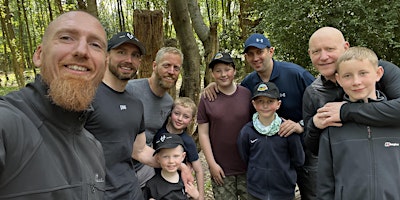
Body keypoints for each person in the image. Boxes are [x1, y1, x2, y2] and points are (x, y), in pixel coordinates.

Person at [0, 11, 107, 199]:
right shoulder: (7, 124)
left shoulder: (94, 148)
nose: (82, 51)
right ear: (39, 55)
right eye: (66, 38)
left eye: (95, 44)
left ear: (104, 66)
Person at [203, 34, 315, 199]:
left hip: (302, 148)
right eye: (250, 54)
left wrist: (301, 125)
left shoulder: (296, 74)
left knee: (313, 194)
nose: (255, 58)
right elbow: (234, 90)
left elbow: (321, 105)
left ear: (271, 51)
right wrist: (215, 84)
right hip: (271, 158)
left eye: (259, 52)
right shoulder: (249, 83)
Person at [302, 26, 400, 199]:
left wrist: (346, 111)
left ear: (346, 47)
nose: (323, 56)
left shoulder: (379, 69)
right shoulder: (313, 92)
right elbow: (314, 147)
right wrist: (315, 125)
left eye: (330, 49)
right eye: (316, 51)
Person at [84, 32, 157, 200]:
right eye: (121, 52)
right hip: (97, 193)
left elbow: (139, 150)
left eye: (135, 55)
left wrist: (175, 163)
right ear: (106, 56)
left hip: (131, 191)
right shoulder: (86, 96)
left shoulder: (136, 104)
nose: (128, 60)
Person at [125, 47, 183, 188]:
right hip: (118, 168)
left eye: (176, 68)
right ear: (154, 66)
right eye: (166, 65)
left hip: (146, 169)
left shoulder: (169, 103)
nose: (171, 71)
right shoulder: (130, 90)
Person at [198, 52, 252, 200]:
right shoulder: (207, 98)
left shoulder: (247, 94)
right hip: (221, 169)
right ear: (212, 73)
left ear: (234, 70)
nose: (223, 74)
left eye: (227, 69)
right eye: (218, 71)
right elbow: (203, 133)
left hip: (248, 167)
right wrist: (212, 164)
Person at [238, 82, 305, 200]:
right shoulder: (247, 131)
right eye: (260, 101)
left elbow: (298, 159)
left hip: (283, 192)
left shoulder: (288, 130)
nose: (265, 106)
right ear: (254, 104)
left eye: (270, 101)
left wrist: (286, 175)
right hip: (256, 191)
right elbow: (245, 156)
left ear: (278, 104)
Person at [153, 97, 205, 200]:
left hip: (177, 188)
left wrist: (201, 196)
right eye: (177, 113)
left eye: (186, 116)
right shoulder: (158, 132)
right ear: (170, 113)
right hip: (156, 185)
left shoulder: (188, 142)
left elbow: (199, 170)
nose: (180, 119)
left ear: (191, 120)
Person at [144, 132, 199, 200]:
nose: (171, 161)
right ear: (158, 158)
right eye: (165, 156)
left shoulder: (185, 180)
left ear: (183, 156)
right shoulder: (152, 186)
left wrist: (196, 197)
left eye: (176, 156)